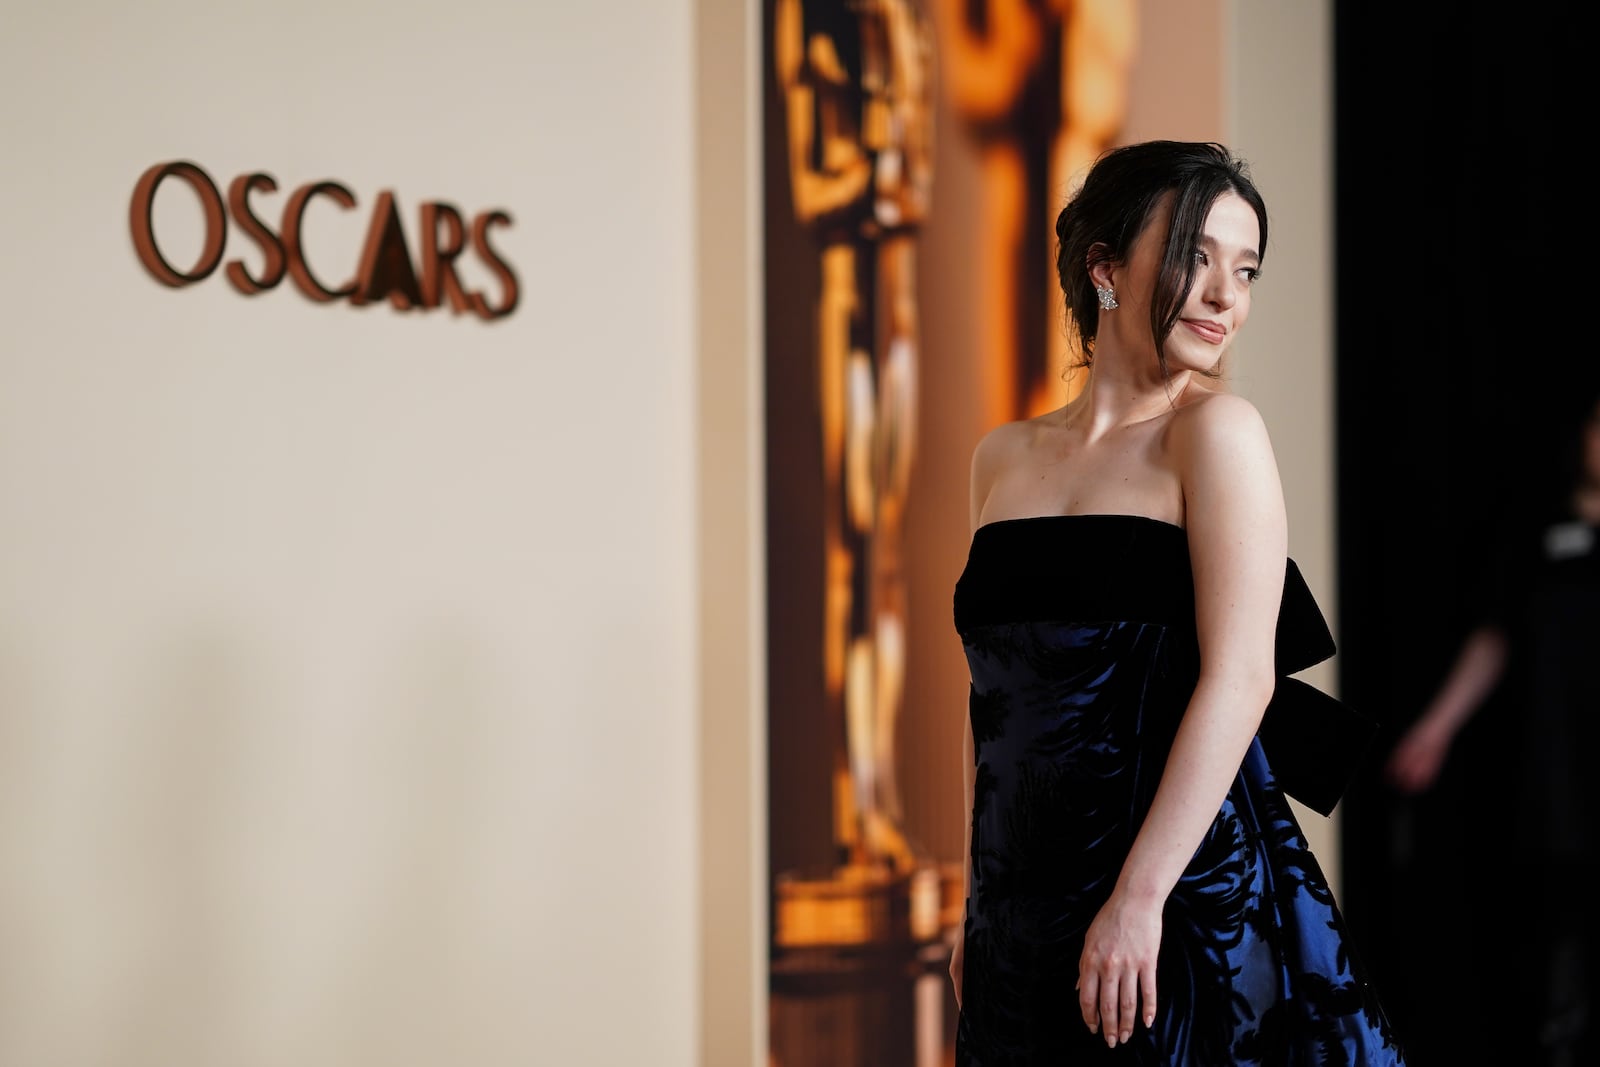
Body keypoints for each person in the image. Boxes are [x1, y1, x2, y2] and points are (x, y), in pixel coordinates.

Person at [947, 140, 1404, 1063]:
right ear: (1105, 267)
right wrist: (976, 900)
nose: (1225, 296)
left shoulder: (1215, 434)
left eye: (1245, 270)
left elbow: (1241, 679)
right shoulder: (999, 457)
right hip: (1019, 902)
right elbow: (991, 702)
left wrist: (1140, 898)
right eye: (1196, 256)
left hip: (1175, 890)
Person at [1384, 387, 1600, 1065]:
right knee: (1556, 945)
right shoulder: (1538, 531)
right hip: (1556, 769)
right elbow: (1494, 638)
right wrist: (1434, 729)